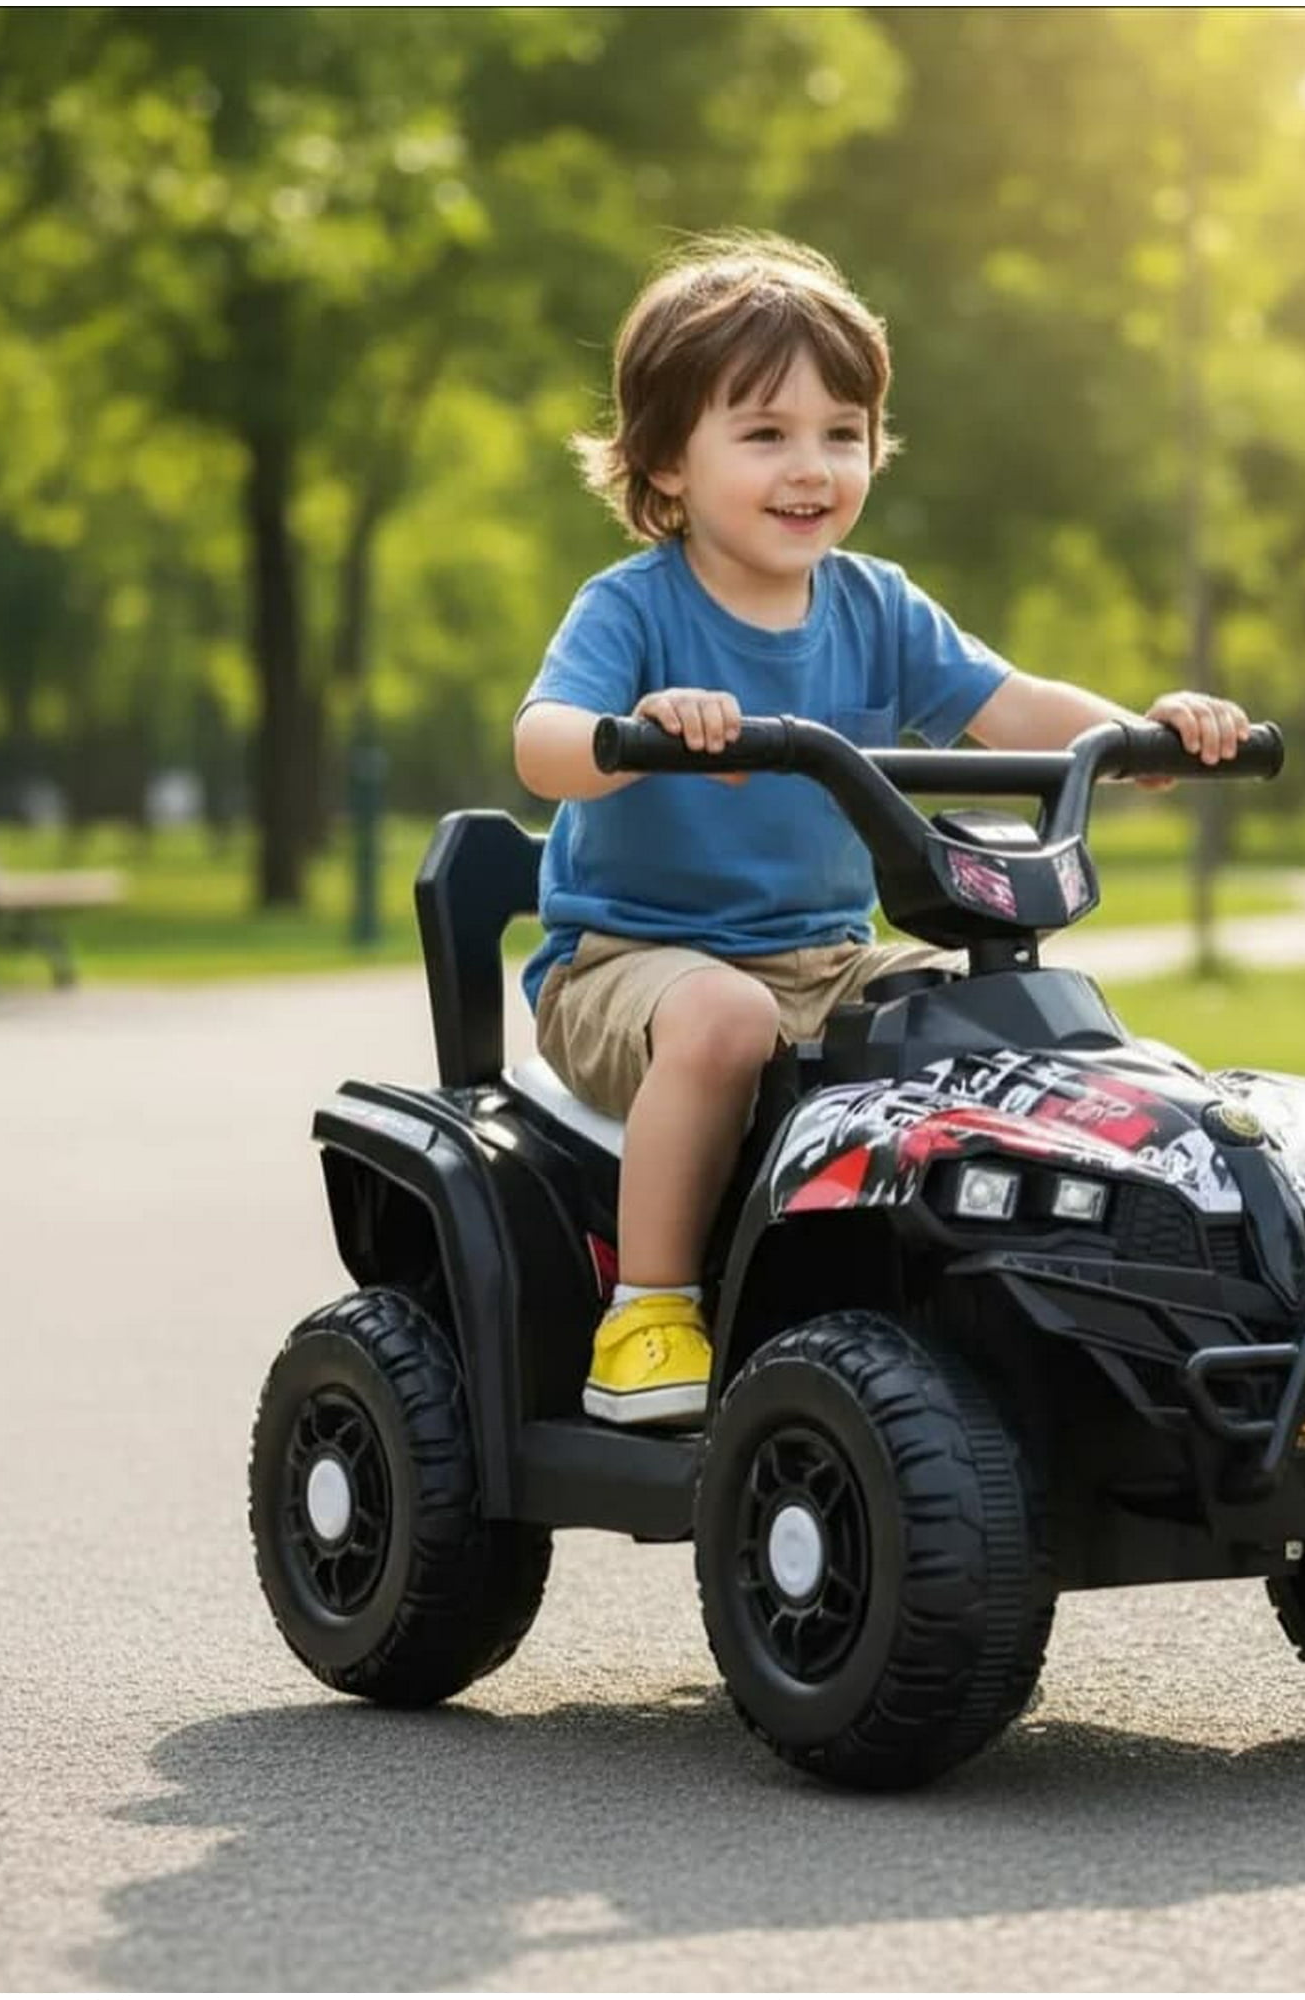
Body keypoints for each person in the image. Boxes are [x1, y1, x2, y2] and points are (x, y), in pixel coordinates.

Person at [514, 231, 1249, 1428]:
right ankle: (647, 1309)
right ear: (663, 462)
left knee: (1006, 1016)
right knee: (724, 1016)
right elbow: (539, 738)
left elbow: (1014, 705)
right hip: (631, 968)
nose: (811, 466)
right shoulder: (632, 607)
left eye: (839, 434)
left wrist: (1149, 733)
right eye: (763, 434)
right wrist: (632, 726)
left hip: (826, 954)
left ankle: (1013, 1292)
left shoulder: (875, 603)